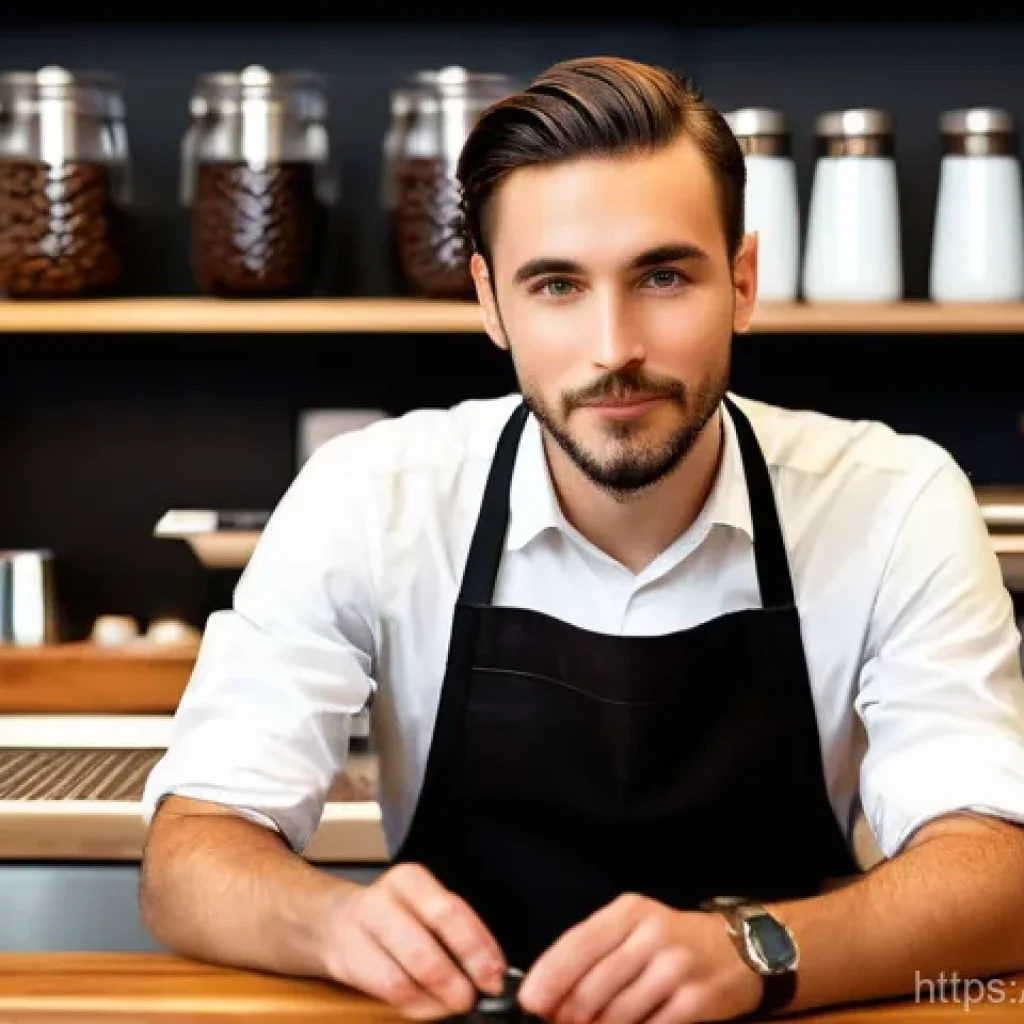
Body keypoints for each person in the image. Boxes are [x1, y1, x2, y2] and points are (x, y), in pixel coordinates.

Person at [139, 56, 1024, 1023]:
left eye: (663, 275)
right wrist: (334, 925)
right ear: (489, 302)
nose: (615, 347)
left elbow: (999, 869)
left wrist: (759, 948)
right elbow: (191, 855)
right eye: (557, 285)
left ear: (743, 282)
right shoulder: (371, 499)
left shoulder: (894, 501)